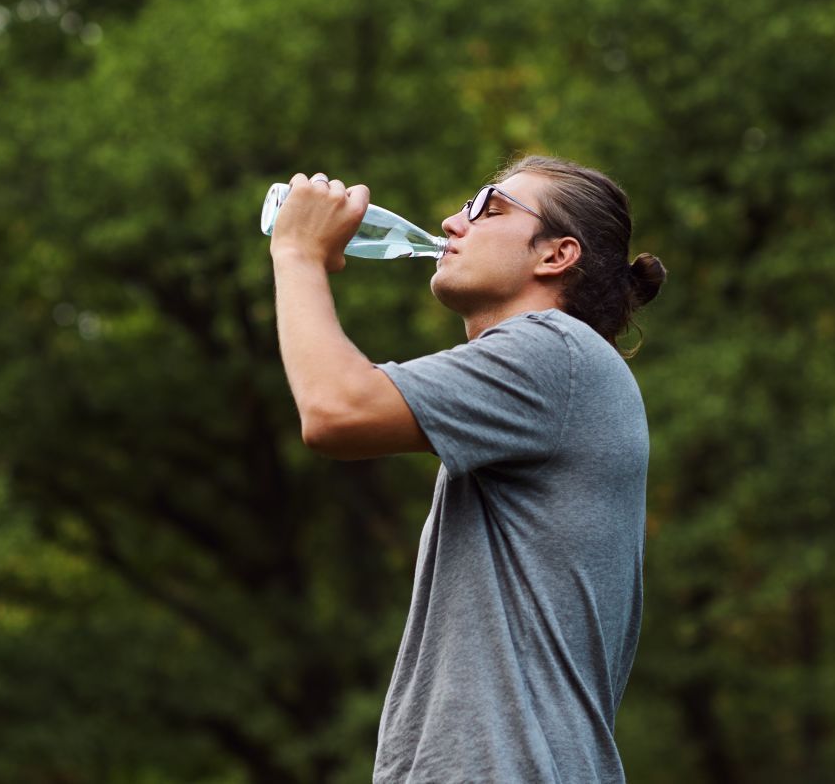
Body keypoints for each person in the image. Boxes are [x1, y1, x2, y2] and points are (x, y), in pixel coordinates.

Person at [268, 155, 667, 783]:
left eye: (490, 207)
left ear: (556, 255)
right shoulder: (546, 377)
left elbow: (335, 409)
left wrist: (296, 254)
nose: (455, 221)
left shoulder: (552, 352)